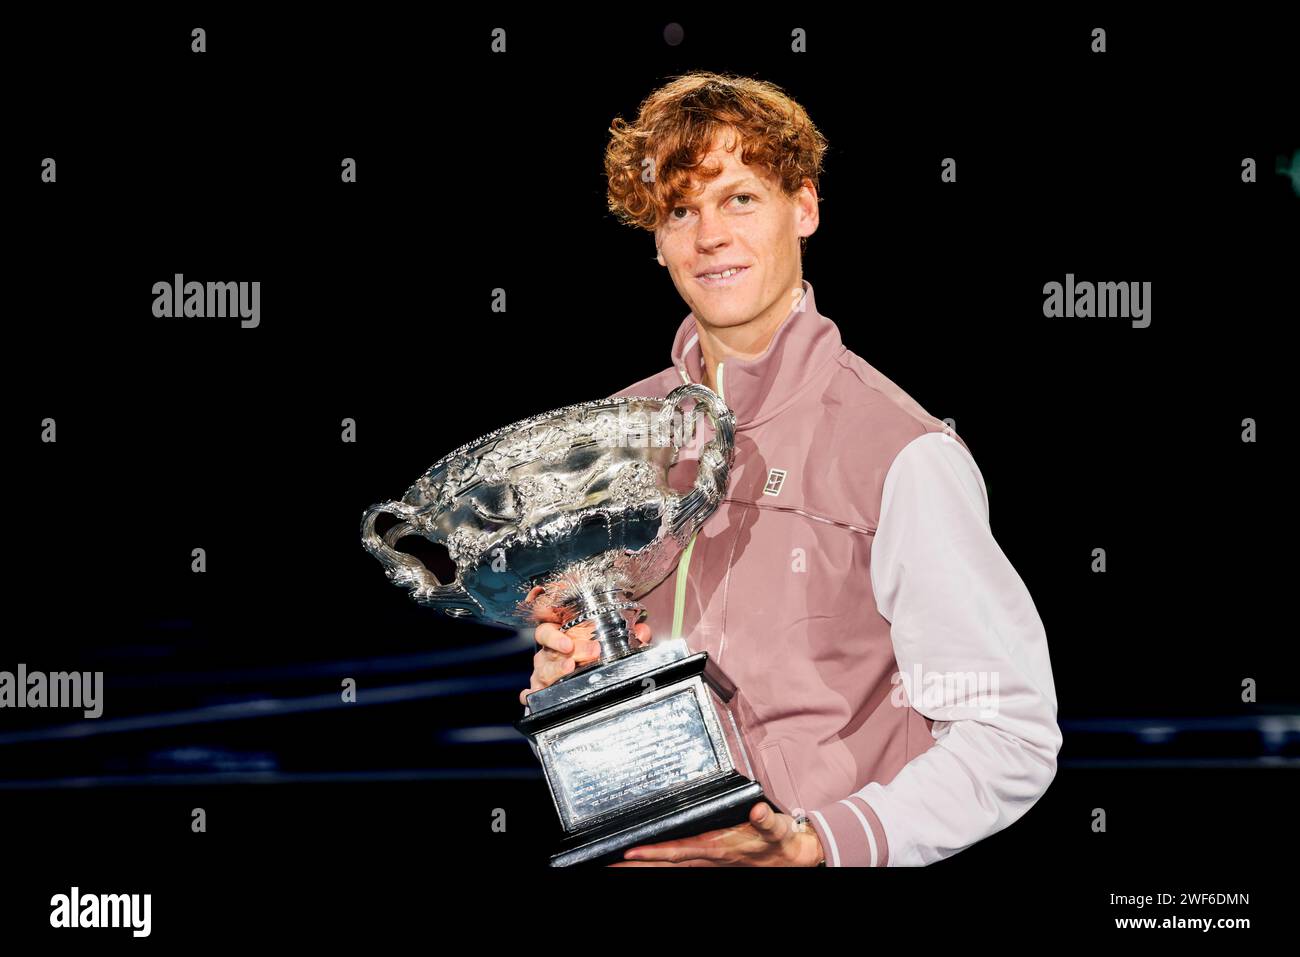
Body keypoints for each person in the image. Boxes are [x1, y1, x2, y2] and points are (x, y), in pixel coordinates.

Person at [521, 71, 1061, 867]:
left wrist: (816, 844)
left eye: (740, 198)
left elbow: (1009, 735)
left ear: (803, 207)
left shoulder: (903, 450)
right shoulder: (617, 439)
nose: (709, 235)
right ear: (657, 237)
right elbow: (596, 660)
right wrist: (575, 667)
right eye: (680, 210)